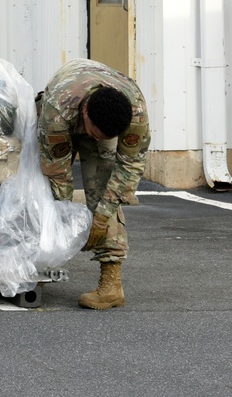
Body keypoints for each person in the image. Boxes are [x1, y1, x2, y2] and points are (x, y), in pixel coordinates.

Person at [36, 58, 150, 310]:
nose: (97, 139)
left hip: (94, 109)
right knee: (45, 191)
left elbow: (129, 167)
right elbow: (59, 172)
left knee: (105, 190)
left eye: (107, 137)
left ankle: (111, 286)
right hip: (63, 112)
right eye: (96, 134)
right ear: (86, 114)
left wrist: (101, 216)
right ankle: (40, 264)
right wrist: (63, 224)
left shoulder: (135, 113)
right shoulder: (56, 112)